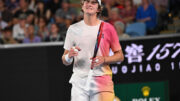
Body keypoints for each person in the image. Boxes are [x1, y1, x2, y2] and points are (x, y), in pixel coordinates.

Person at [61, 0, 124, 101]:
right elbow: (64, 60)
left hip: (102, 81)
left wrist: (104, 59)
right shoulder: (73, 29)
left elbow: (120, 56)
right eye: (87, 1)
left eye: (93, 2)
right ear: (82, 6)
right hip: (79, 82)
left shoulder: (108, 28)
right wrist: (69, 56)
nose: (89, 4)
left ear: (98, 9)